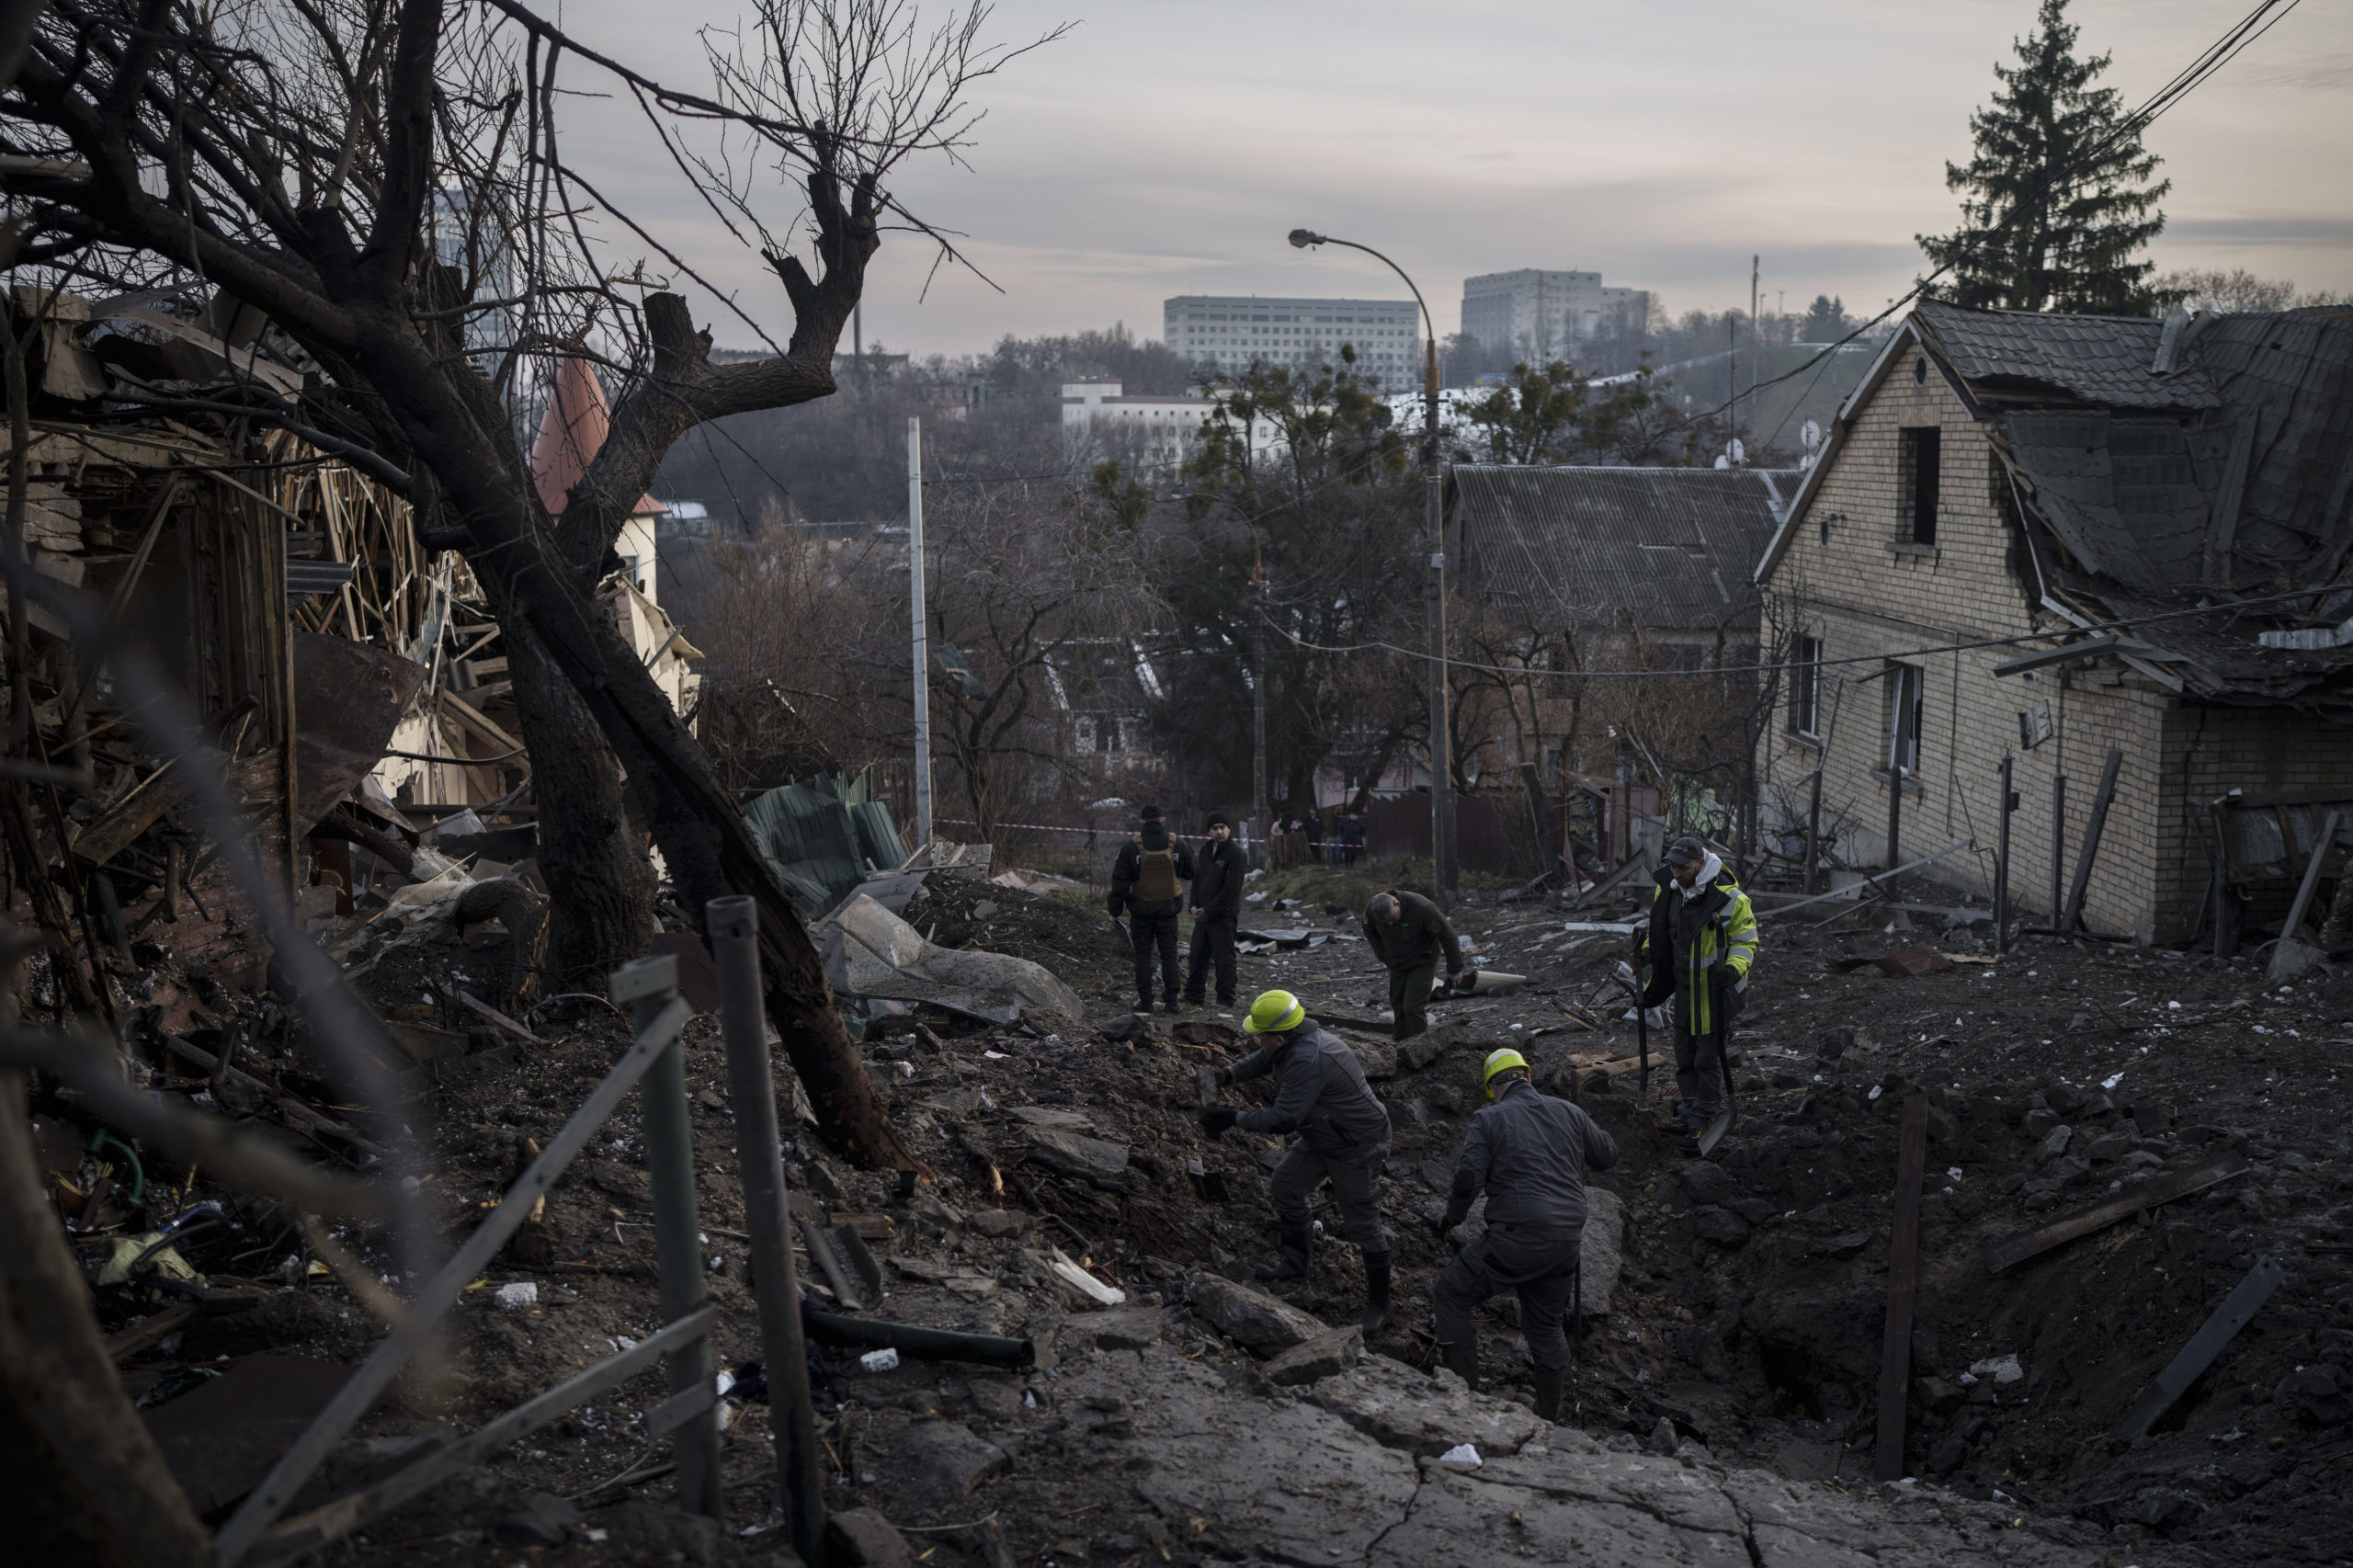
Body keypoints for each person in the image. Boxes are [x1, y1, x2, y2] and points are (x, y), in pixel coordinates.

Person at [1432, 1048, 1618, 1421]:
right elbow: (1607, 1156)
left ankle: (1463, 1406)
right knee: (1546, 1325)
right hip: (1567, 1242)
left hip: (1517, 1238)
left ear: (1492, 1088)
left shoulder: (1489, 1118)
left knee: (1451, 1293)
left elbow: (1468, 1178)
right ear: (1527, 1078)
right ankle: (1548, 1416)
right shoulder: (1570, 1112)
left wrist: (1451, 1218)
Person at [1200, 989, 1395, 1330]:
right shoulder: (1291, 1041)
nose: (1258, 1040)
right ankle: (1295, 1264)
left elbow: (1284, 1119)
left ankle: (1380, 1306)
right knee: (1286, 1186)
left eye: (1261, 1035)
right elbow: (1265, 1059)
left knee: (1363, 1224)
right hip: (1324, 1134)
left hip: (1357, 1145)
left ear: (1279, 1035)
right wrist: (1228, 1075)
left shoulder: (1309, 1058)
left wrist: (1232, 1118)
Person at [1634, 835, 1759, 1137]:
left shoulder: (1730, 899)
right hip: (1685, 988)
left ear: (1700, 864)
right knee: (1683, 1054)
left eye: (1684, 868)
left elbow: (1746, 941)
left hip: (1715, 992)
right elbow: (1661, 929)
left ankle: (1703, 1116)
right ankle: (1689, 1109)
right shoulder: (1669, 891)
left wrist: (1732, 970)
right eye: (1673, 867)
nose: (1677, 873)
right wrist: (1648, 951)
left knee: (1707, 1056)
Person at [1108, 803, 1196, 1015]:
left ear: (1141, 822)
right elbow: (1191, 872)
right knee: (1169, 955)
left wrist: (1115, 911)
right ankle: (1172, 1002)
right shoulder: (1178, 844)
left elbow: (1120, 882)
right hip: (1168, 912)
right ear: (1163, 820)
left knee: (1143, 957)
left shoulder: (1132, 847)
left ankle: (1145, 1001)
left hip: (1141, 912)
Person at [1362, 889, 1464, 1041]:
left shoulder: (1422, 909)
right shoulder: (1372, 911)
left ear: (1396, 903)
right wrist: (1383, 954)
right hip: (1396, 960)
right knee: (1398, 1003)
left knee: (1412, 1008)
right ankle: (1400, 1043)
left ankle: (1420, 1047)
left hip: (1422, 959)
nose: (1390, 924)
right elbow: (1369, 930)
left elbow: (1447, 935)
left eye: (1392, 919)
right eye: (1386, 923)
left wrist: (1454, 969)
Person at [1183, 811, 1247, 1010]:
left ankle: (1225, 999)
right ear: (1209, 831)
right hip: (1203, 916)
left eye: (1223, 827)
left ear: (1229, 829)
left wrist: (1208, 911)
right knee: (1197, 956)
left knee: (1224, 959)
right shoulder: (1205, 851)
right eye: (1215, 828)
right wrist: (1193, 905)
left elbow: (1231, 890)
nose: (1219, 832)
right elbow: (1197, 881)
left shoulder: (1236, 854)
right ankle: (1194, 996)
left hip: (1223, 916)